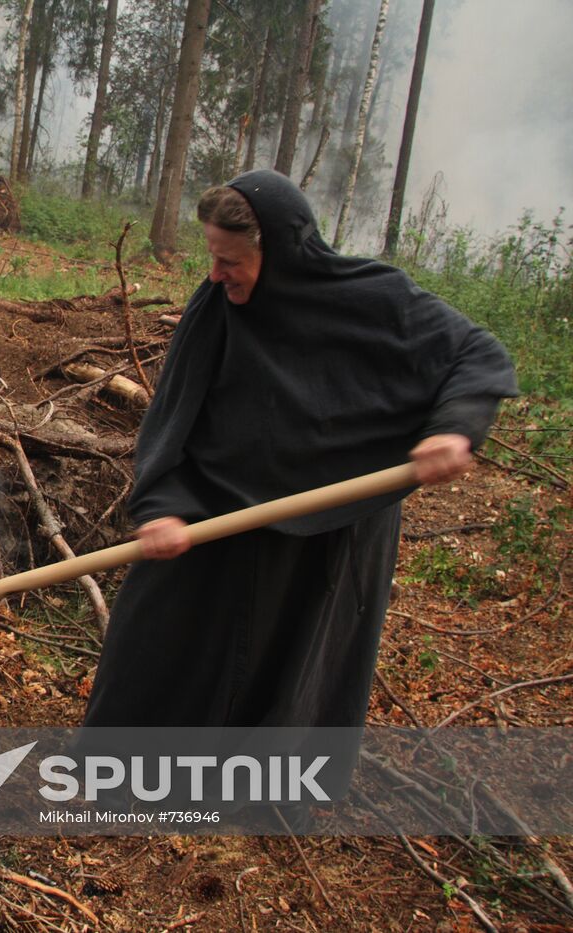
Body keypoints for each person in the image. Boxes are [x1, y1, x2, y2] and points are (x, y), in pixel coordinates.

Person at [79, 171, 517, 815]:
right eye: (211, 255)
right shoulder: (216, 306)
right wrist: (162, 501)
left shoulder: (373, 295)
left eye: (230, 260)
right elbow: (173, 410)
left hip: (334, 515)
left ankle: (260, 795)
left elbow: (476, 354)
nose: (214, 273)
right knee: (158, 635)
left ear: (279, 251)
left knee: (294, 656)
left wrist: (456, 427)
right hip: (215, 507)